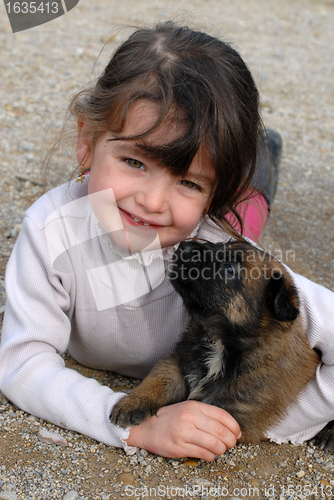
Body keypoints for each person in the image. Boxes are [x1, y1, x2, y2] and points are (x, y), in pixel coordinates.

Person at [0, 22, 333, 461]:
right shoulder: (50, 230)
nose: (152, 202)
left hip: (234, 219)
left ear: (216, 193)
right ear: (86, 141)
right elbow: (21, 365)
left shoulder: (216, 242)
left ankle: (259, 164)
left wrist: (257, 420)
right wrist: (134, 427)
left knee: (250, 214)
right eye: (134, 161)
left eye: (190, 183)